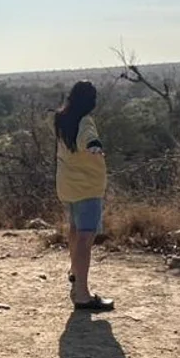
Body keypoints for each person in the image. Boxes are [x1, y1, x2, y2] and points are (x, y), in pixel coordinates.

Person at [55, 80, 113, 311]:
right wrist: (94, 145)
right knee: (85, 239)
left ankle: (74, 272)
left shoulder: (61, 118)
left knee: (75, 230)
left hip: (68, 184)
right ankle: (82, 294)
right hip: (87, 187)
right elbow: (87, 137)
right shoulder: (85, 121)